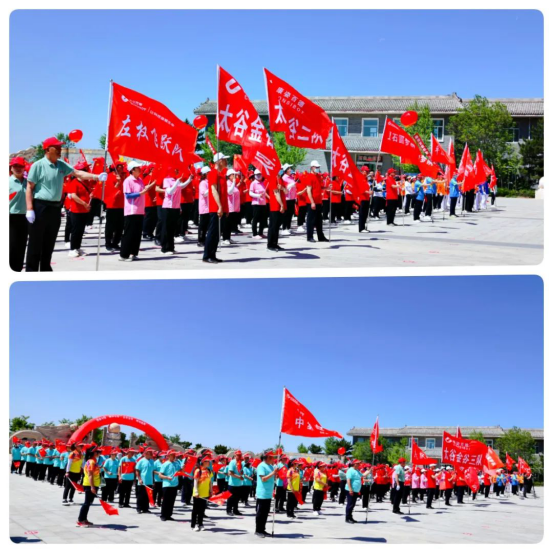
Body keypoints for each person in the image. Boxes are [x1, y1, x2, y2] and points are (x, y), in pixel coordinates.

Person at [25, 137, 107, 271]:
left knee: (49, 241)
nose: (59, 150)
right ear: (47, 150)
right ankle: (31, 271)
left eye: (60, 147)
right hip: (40, 206)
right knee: (35, 242)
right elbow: (29, 187)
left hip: (55, 208)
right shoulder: (38, 165)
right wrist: (30, 209)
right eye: (56, 147)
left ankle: (45, 269)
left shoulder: (61, 165)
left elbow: (77, 173)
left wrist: (96, 176)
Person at [119, 161, 156, 261]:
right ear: (132, 170)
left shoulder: (140, 180)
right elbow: (127, 195)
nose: (140, 170)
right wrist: (140, 193)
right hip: (131, 210)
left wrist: (151, 185)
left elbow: (143, 190)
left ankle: (133, 252)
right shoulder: (128, 181)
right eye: (137, 168)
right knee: (129, 233)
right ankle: (124, 255)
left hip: (140, 210)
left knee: (137, 233)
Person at [203, 153, 229, 264]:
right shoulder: (213, 173)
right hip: (216, 208)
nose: (226, 162)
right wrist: (219, 206)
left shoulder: (221, 174)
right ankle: (207, 255)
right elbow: (214, 191)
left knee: (217, 234)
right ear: (219, 161)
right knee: (213, 232)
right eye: (224, 159)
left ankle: (212, 254)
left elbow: (224, 193)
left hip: (222, 208)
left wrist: (226, 208)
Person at [160, 168, 192, 255]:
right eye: (176, 170)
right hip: (168, 207)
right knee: (166, 228)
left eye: (178, 170)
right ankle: (165, 248)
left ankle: (171, 247)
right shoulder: (167, 179)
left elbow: (181, 187)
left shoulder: (175, 180)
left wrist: (189, 180)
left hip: (176, 207)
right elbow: (170, 191)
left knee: (172, 228)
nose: (177, 171)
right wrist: (177, 182)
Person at [65, 161, 93, 258]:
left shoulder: (87, 182)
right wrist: (84, 203)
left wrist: (91, 194)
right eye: (85, 170)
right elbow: (74, 196)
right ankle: (73, 249)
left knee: (81, 230)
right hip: (76, 210)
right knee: (76, 230)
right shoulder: (74, 182)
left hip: (85, 210)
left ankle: (77, 247)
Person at [9, 157, 29, 271]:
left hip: (25, 217)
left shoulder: (28, 183)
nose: (18, 168)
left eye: (20, 166)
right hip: (11, 217)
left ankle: (18, 268)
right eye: (15, 166)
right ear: (11, 168)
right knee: (11, 245)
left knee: (21, 245)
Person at [104, 161, 127, 252]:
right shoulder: (109, 176)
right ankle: (108, 243)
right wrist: (118, 182)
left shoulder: (125, 176)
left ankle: (116, 243)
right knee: (110, 226)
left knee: (120, 226)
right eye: (119, 167)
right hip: (112, 205)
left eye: (122, 167)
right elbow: (110, 191)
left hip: (122, 205)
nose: (121, 169)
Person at [254, 449, 278, 538]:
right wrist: (273, 473)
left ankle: (262, 529)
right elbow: (263, 479)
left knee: (265, 513)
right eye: (272, 457)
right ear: (268, 457)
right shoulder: (261, 466)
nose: (273, 459)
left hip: (268, 493)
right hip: (262, 493)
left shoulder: (271, 466)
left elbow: (272, 477)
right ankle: (258, 530)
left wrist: (275, 474)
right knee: (260, 513)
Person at [77, 448, 101, 527]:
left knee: (89, 503)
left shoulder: (93, 461)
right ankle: (80, 520)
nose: (99, 453)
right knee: (87, 503)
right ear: (94, 453)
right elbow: (90, 475)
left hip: (93, 484)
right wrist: (92, 487)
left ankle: (84, 519)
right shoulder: (91, 462)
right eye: (98, 452)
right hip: (89, 484)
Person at [191, 454, 213, 531]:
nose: (209, 463)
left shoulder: (209, 471)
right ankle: (193, 525)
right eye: (207, 461)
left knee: (202, 510)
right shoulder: (198, 470)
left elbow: (210, 482)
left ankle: (200, 524)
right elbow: (195, 482)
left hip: (205, 493)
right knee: (195, 510)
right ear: (203, 462)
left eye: (209, 461)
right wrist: (196, 492)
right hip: (198, 494)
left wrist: (211, 490)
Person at [156, 450, 179, 521]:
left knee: (172, 501)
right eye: (172, 455)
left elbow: (181, 470)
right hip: (167, 485)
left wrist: (184, 466)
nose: (174, 456)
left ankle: (169, 515)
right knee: (166, 501)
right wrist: (166, 477)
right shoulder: (165, 464)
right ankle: (163, 515)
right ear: (168, 456)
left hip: (174, 485)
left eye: (174, 455)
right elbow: (160, 475)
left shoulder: (176, 463)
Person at [267, 175, 286, 252]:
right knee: (273, 226)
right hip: (275, 206)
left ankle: (275, 243)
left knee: (277, 226)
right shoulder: (273, 179)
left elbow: (286, 191)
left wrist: (282, 188)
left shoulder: (280, 179)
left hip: (281, 205)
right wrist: (281, 205)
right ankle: (270, 244)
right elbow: (276, 193)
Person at [249, 169, 268, 240]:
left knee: (263, 219)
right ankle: (254, 234)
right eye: (257, 174)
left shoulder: (263, 183)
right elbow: (250, 193)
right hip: (256, 204)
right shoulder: (253, 183)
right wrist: (257, 195)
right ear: (255, 175)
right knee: (255, 219)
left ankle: (260, 232)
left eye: (260, 174)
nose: (259, 176)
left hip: (263, 203)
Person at [135, 448, 155, 513]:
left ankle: (145, 508)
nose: (150, 455)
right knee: (141, 496)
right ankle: (139, 508)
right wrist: (139, 479)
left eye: (151, 454)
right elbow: (137, 470)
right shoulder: (141, 461)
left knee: (147, 496)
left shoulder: (152, 461)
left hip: (150, 481)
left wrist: (153, 481)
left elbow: (152, 471)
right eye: (149, 453)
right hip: (142, 481)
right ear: (145, 454)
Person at [227, 450, 244, 516]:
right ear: (235, 455)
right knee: (231, 498)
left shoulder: (241, 463)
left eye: (240, 455)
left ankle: (235, 510)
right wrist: (239, 477)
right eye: (238, 455)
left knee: (237, 498)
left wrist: (241, 474)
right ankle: (229, 510)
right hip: (232, 484)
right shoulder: (232, 462)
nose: (239, 456)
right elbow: (230, 473)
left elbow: (241, 472)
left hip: (239, 484)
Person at [358, 166, 372, 232]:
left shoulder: (365, 179)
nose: (367, 172)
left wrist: (369, 191)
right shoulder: (360, 178)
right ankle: (361, 228)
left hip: (367, 198)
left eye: (367, 171)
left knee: (365, 213)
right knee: (362, 214)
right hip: (362, 198)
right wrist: (369, 192)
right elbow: (361, 189)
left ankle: (364, 227)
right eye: (366, 171)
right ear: (362, 171)